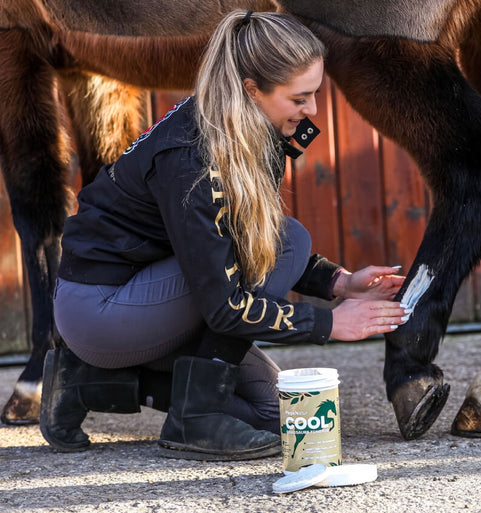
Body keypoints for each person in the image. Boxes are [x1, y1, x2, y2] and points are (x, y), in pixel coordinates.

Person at [40, 10, 409, 461]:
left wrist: (339, 283)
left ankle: (82, 382)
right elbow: (227, 302)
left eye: (315, 94)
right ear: (252, 89)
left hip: (154, 293)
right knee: (288, 237)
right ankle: (194, 420)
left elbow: (238, 240)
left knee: (281, 417)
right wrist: (331, 323)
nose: (312, 111)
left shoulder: (253, 125)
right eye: (300, 99)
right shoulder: (193, 160)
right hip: (100, 306)